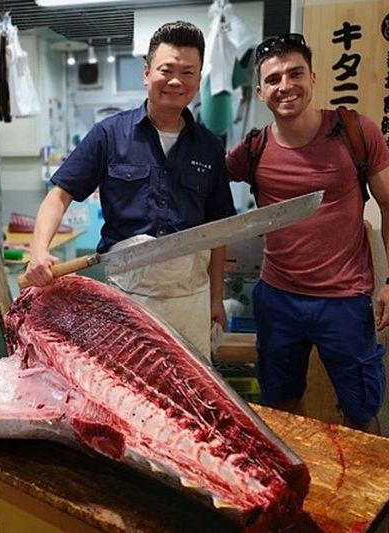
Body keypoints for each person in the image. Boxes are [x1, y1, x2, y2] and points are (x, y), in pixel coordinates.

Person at [226, 33, 389, 434]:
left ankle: (369, 496)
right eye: (273, 79)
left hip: (344, 301)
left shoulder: (354, 131)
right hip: (276, 298)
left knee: (361, 411)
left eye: (295, 73)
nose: (285, 86)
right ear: (260, 91)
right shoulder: (253, 149)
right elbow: (199, 180)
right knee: (280, 405)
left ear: (313, 77)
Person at [23, 21, 236, 361]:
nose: (176, 81)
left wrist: (215, 299)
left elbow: (218, 230)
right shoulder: (109, 135)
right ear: (147, 73)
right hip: (127, 296)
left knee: (189, 393)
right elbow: (58, 195)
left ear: (198, 81)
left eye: (188, 72)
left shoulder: (209, 147)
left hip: (190, 299)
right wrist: (38, 251)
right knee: (128, 387)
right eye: (166, 70)